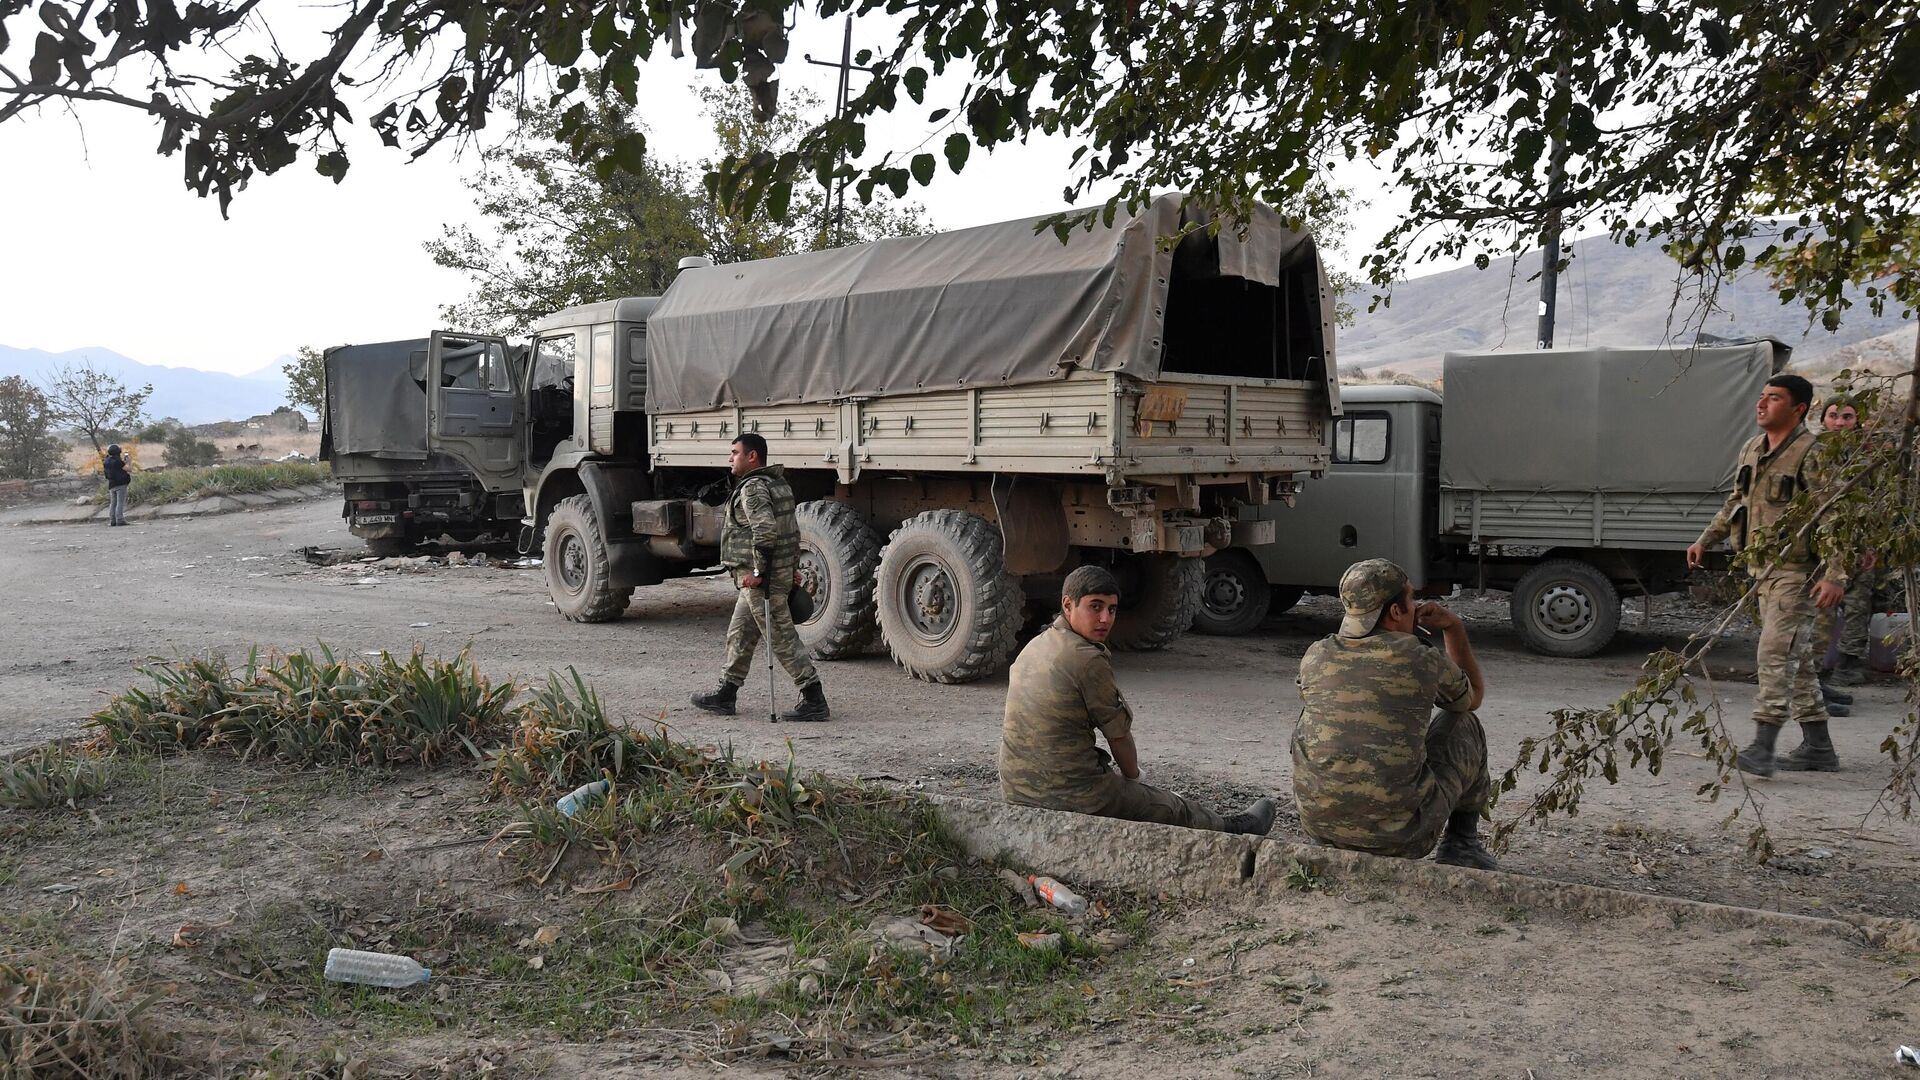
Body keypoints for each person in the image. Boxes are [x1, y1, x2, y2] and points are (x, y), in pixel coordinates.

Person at [999, 565, 1278, 834]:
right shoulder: (1085, 658)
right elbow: (1118, 736)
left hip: (1016, 786)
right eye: (1095, 607)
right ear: (1068, 605)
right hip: (1068, 792)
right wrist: (1134, 781)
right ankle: (1233, 829)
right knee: (1167, 805)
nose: (1105, 619)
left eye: (1112, 609)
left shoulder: (1036, 646)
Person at [1291, 558, 1499, 870]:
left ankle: (1336, 820)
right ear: (1395, 611)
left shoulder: (1317, 655)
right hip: (1403, 838)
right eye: (1412, 599)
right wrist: (1452, 626)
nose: (1416, 605)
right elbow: (1472, 699)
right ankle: (1462, 844)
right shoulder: (1420, 658)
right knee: (1463, 723)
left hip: (1322, 829)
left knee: (1315, 718)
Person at [1688, 375, 1848, 775]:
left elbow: (1834, 516)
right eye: (1761, 397)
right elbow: (1737, 500)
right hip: (1763, 570)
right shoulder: (1752, 448)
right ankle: (1819, 748)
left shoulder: (1813, 453)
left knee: (1774, 654)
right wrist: (1706, 538)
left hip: (1797, 573)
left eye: (1774, 399)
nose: (1762, 404)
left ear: (1798, 409)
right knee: (1795, 658)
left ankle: (1763, 746)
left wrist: (1835, 573)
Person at [690, 433, 831, 722]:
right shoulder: (777, 484)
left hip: (761, 579)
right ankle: (726, 694)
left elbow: (766, 532)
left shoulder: (753, 488)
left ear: (752, 456)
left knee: (780, 636)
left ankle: (814, 697)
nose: (731, 458)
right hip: (769, 574)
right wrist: (790, 568)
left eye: (735, 452)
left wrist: (759, 573)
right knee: (740, 633)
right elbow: (791, 531)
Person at [1811, 395, 1876, 693]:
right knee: (1822, 605)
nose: (1839, 422)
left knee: (1857, 605)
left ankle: (1849, 664)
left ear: (1857, 420)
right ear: (1823, 419)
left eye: (1847, 416)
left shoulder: (1868, 457)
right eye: (1834, 415)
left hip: (1859, 542)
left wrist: (1871, 545)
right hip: (1823, 543)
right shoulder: (1812, 453)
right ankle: (1816, 669)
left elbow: (1879, 503)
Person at [103, 444, 132, 526]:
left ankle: (113, 520)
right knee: (120, 503)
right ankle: (120, 519)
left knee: (113, 503)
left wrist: (123, 463)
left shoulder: (106, 461)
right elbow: (129, 469)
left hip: (111, 484)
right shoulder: (118, 461)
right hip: (121, 484)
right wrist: (129, 462)